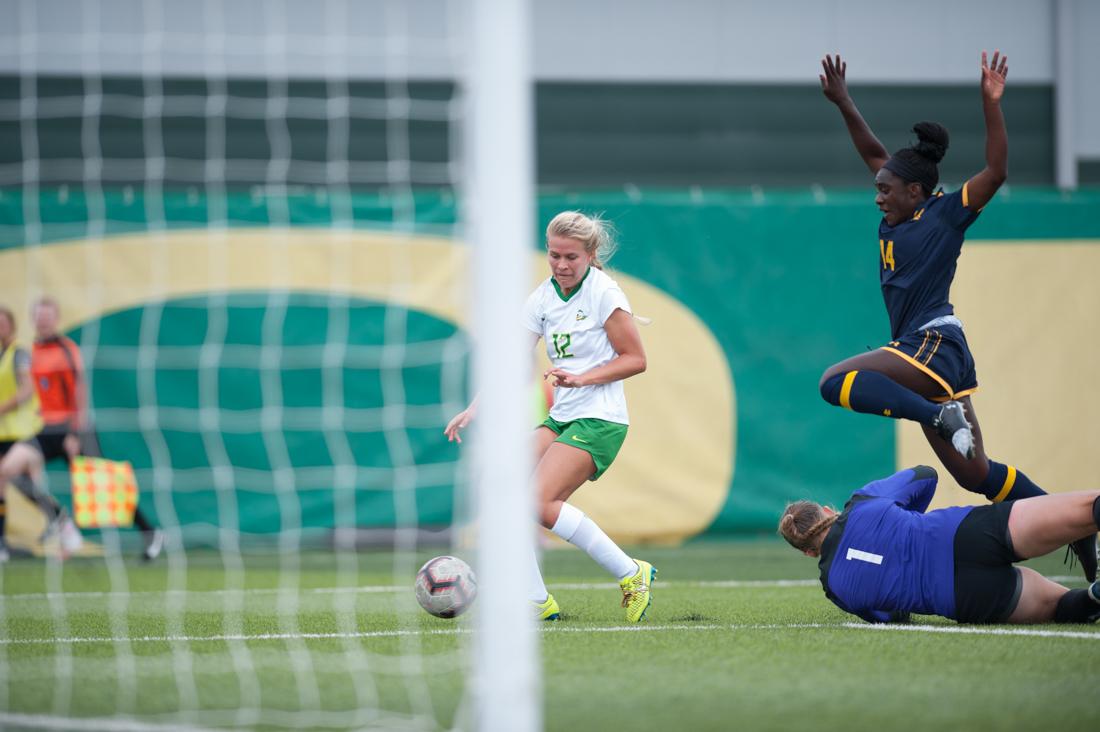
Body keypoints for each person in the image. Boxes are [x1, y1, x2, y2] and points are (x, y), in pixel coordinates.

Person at [815, 51, 1096, 582]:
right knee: (975, 475)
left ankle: (933, 413)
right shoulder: (902, 199)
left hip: (931, 342)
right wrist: (845, 102)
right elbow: (875, 152)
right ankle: (1077, 525)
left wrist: (991, 105)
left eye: (886, 190)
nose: (878, 195)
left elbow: (997, 170)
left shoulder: (944, 213)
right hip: (930, 353)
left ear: (916, 193)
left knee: (834, 383)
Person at [444, 211, 656, 622]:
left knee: (538, 502)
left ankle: (633, 573)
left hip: (600, 419)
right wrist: (474, 408)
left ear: (591, 255)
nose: (561, 264)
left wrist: (583, 379)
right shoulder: (542, 297)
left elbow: (637, 359)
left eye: (571, 257)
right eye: (554, 255)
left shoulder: (604, 294)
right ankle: (537, 601)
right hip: (565, 417)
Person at [779, 465, 1100, 625]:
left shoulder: (834, 587)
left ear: (808, 552)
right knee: (1088, 510)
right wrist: (903, 519)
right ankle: (1080, 531)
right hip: (962, 534)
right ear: (826, 510)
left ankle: (1091, 598)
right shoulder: (864, 502)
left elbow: (891, 618)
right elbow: (925, 475)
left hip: (962, 595)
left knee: (1065, 607)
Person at [29, 296, 163, 560]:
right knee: (12, 468)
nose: (43, 321)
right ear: (34, 319)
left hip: (72, 429)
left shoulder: (65, 349)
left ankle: (150, 532)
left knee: (102, 485)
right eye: (39, 317)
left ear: (55, 319)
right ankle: (61, 523)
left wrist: (74, 432)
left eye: (48, 316)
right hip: (46, 429)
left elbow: (79, 391)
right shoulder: (34, 351)